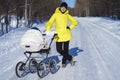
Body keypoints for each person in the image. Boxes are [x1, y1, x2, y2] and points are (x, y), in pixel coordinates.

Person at [46, 2, 78, 68]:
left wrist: (70, 27)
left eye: (64, 8)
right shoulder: (55, 14)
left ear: (66, 8)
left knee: (66, 50)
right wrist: (48, 29)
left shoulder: (67, 15)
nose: (63, 9)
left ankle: (63, 62)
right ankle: (70, 58)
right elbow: (50, 22)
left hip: (66, 35)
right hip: (58, 35)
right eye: (62, 7)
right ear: (60, 8)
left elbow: (75, 22)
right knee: (59, 50)